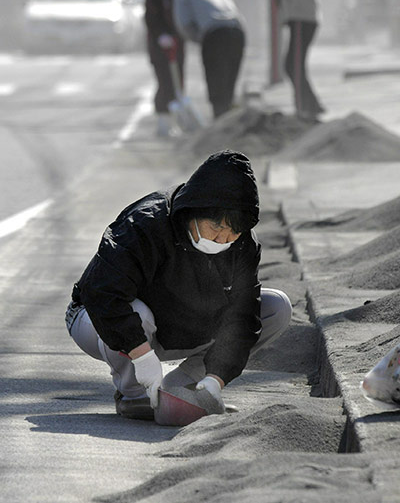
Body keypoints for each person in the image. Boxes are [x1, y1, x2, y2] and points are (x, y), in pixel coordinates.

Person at [65, 150, 292, 420]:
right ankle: (134, 394)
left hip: (183, 329)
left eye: (233, 232)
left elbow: (244, 316)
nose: (223, 239)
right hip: (100, 322)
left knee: (276, 307)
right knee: (138, 312)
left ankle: (185, 388)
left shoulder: (243, 245)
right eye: (216, 227)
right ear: (194, 210)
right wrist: (141, 356)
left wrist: (215, 379)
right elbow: (102, 293)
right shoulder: (145, 224)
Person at [173, 0, 246, 118]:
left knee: (215, 78)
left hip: (215, 33)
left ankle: (219, 120)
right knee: (230, 78)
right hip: (238, 31)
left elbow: (184, 25)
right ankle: (228, 118)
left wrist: (200, 40)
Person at [144, 0, 186, 137]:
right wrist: (161, 35)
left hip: (178, 44)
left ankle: (175, 121)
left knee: (179, 82)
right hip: (160, 46)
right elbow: (151, 18)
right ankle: (163, 121)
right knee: (165, 82)